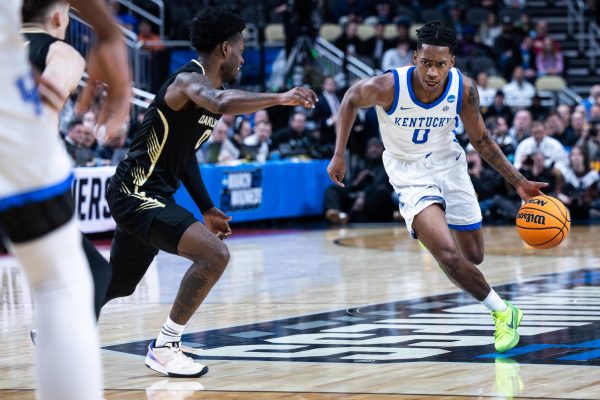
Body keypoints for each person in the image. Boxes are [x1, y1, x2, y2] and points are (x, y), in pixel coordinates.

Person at [101, 6, 317, 377]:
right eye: (242, 48)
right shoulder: (189, 82)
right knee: (214, 255)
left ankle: (60, 326)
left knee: (119, 283)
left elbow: (185, 157)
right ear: (225, 49)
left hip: (149, 195)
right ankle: (166, 346)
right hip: (134, 190)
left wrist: (207, 206)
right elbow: (221, 103)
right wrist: (282, 98)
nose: (244, 56)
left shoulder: (210, 91)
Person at [327, 21, 547, 354]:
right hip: (409, 173)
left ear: (452, 63)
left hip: (450, 166)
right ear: (415, 57)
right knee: (445, 253)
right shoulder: (389, 86)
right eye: (426, 62)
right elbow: (350, 99)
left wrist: (519, 182)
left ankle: (459, 265)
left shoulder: (463, 89)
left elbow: (482, 141)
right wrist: (338, 153)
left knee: (473, 256)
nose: (432, 71)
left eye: (440, 64)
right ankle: (503, 312)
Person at [0, 0, 130, 399]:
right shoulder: (59, 49)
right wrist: (108, 31)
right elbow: (48, 100)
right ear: (60, 17)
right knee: (79, 279)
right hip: (17, 161)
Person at [21, 0, 114, 322]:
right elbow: (43, 113)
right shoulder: (60, 53)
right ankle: (61, 343)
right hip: (20, 178)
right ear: (59, 17)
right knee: (96, 273)